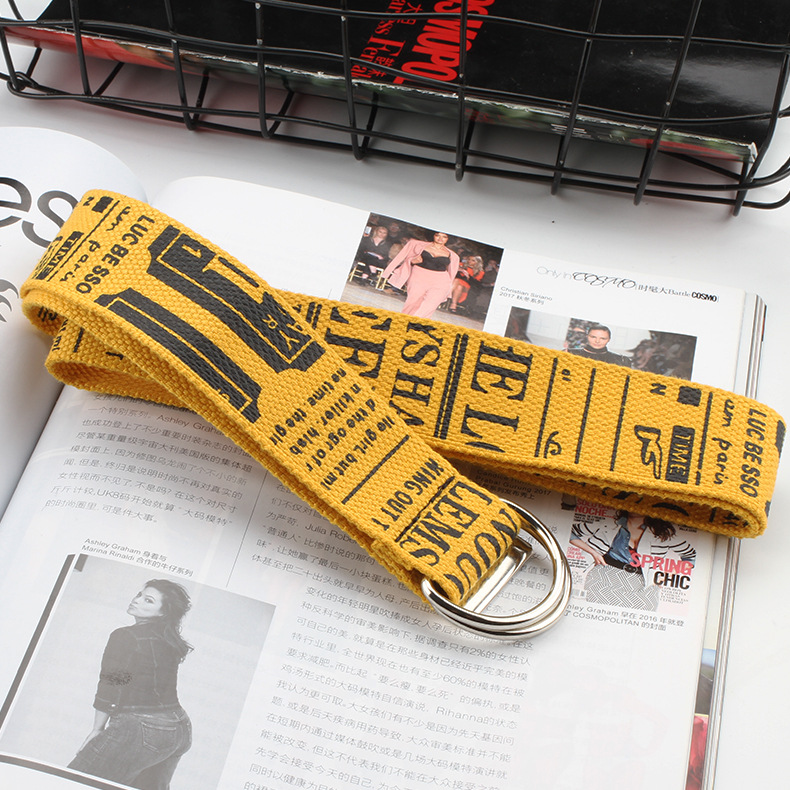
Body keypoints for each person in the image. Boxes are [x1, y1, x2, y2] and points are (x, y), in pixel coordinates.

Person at [68, 579, 194, 789]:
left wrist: (97, 729)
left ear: (163, 612)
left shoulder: (125, 636)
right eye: (139, 595)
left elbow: (111, 682)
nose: (137, 600)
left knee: (73, 783)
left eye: (148, 600)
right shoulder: (169, 640)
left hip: (143, 729)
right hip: (180, 728)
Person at [381, 231, 460, 318]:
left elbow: (452, 273)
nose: (440, 238)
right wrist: (412, 261)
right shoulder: (417, 245)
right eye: (437, 235)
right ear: (433, 235)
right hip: (419, 275)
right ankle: (404, 320)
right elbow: (401, 257)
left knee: (432, 304)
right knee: (413, 302)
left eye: (444, 237)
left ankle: (417, 322)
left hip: (441, 279)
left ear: (448, 239)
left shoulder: (453, 255)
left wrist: (449, 290)